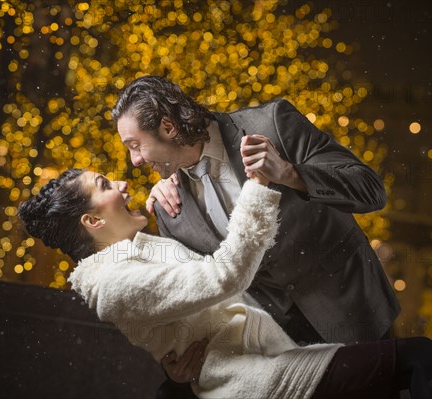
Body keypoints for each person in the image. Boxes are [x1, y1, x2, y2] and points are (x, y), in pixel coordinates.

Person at [17, 168, 432, 398]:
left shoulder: (131, 252)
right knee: (418, 357)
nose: (122, 181)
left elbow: (176, 295)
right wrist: (259, 184)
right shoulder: (115, 284)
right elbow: (221, 276)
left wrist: (166, 194)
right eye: (105, 184)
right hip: (255, 381)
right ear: (93, 220)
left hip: (265, 360)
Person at [111, 76, 401, 388]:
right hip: (278, 355)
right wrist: (177, 366)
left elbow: (370, 190)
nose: (135, 160)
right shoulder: (170, 208)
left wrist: (290, 174)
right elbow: (198, 299)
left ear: (168, 127)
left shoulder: (273, 122)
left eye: (136, 145)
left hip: (352, 313)